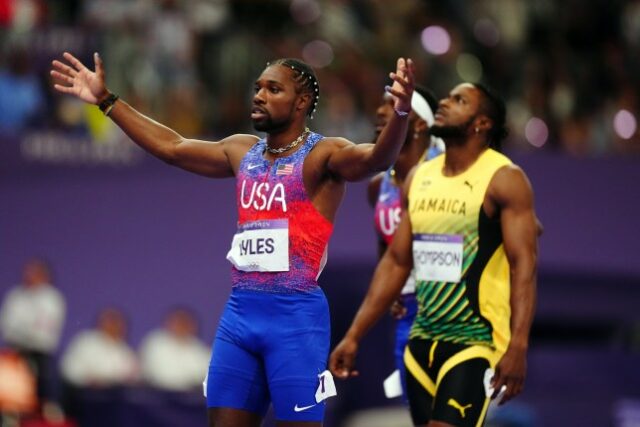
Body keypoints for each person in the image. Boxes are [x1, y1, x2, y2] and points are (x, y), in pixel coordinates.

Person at [50, 52, 415, 427]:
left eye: (274, 89)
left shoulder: (323, 155)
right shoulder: (242, 150)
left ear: (302, 101)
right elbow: (172, 148)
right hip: (240, 315)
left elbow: (375, 160)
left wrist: (401, 114)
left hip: (296, 319)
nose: (259, 95)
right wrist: (108, 101)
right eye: (257, 87)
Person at [330, 83, 539, 427]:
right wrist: (355, 334)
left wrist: (518, 344)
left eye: (459, 100)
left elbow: (524, 262)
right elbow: (395, 260)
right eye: (447, 97)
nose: (445, 101)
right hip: (419, 338)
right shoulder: (418, 178)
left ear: (481, 123)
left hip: (475, 339)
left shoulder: (502, 178)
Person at [367, 85, 443, 400]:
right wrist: (393, 288)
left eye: (395, 104)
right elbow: (386, 248)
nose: (382, 111)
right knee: (420, 414)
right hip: (409, 313)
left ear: (421, 123)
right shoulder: (378, 186)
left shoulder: (455, 172)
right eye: (383, 103)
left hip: (452, 309)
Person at [0, 258, 66, 405]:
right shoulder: (15, 296)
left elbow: (43, 331)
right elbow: (7, 325)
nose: (29, 276)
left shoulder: (52, 298)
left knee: (44, 387)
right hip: (14, 352)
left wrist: (23, 331)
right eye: (28, 272)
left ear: (45, 276)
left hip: (40, 353)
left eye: (35, 273)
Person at [60, 307, 138, 388]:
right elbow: (68, 370)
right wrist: (87, 379)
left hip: (114, 395)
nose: (113, 326)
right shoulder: (85, 342)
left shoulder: (127, 353)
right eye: (110, 322)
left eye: (117, 323)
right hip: (84, 392)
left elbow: (132, 378)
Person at [139, 307, 210, 392]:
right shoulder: (155, 342)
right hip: (158, 393)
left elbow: (203, 375)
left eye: (185, 323)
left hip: (188, 395)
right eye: (178, 322)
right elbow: (158, 374)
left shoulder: (198, 349)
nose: (181, 326)